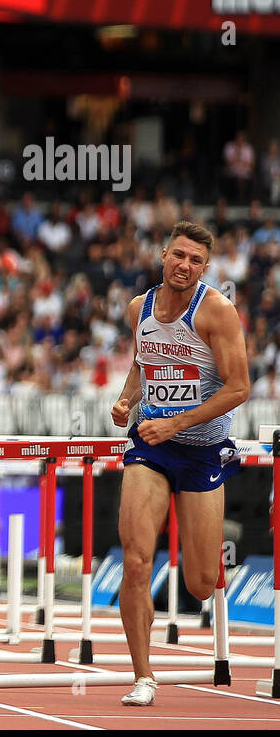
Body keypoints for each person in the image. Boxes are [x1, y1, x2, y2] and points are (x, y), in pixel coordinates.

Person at [110, 221, 249, 706]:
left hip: (203, 450)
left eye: (196, 260)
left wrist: (178, 423)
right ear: (163, 254)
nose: (185, 266)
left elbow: (238, 389)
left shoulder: (218, 312)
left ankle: (201, 539)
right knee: (135, 560)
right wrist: (128, 399)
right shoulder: (137, 309)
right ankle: (143, 676)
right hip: (150, 443)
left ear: (205, 268)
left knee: (201, 583)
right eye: (179, 256)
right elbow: (143, 360)